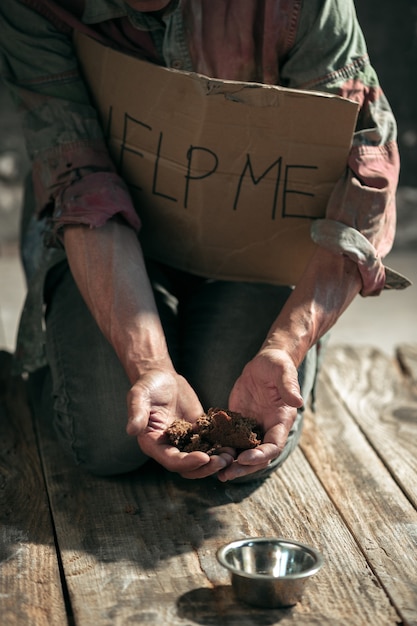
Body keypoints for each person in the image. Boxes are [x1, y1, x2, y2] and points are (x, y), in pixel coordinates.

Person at [0, 0, 400, 481]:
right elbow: (80, 179)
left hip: (259, 248)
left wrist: (286, 346)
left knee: (245, 420)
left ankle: (278, 350)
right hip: (117, 239)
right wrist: (149, 363)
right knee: (110, 435)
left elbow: (365, 173)